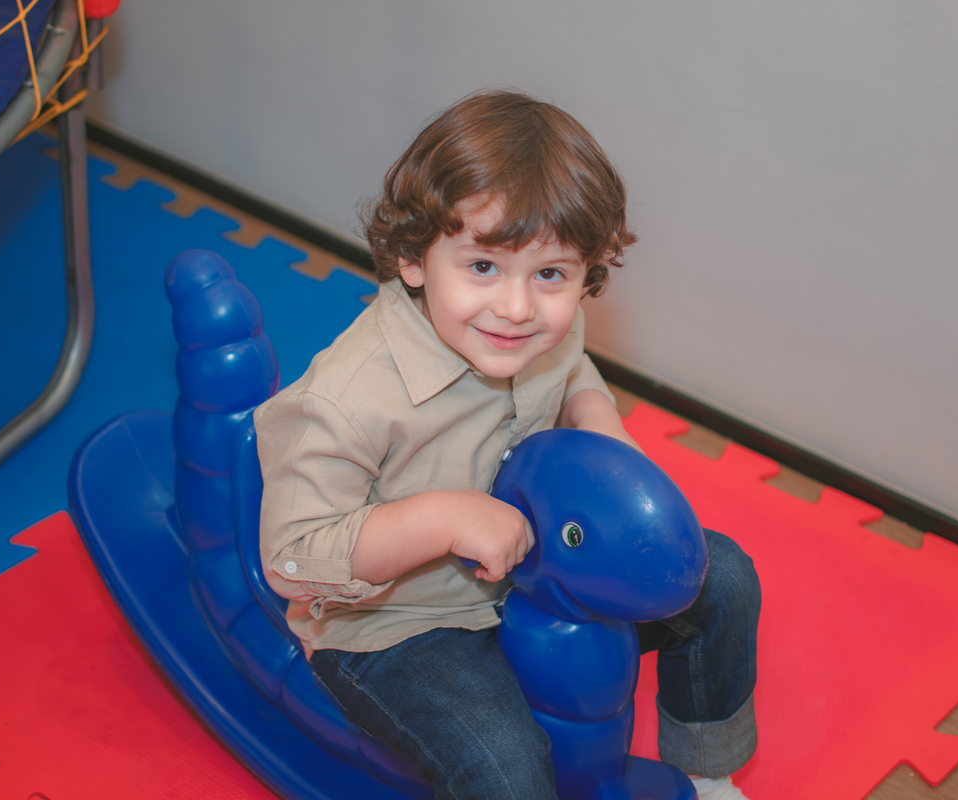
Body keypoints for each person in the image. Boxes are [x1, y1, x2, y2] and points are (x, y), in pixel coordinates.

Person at [255, 90, 761, 800]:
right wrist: (445, 519)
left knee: (723, 579)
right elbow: (291, 556)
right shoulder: (345, 401)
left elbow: (576, 367)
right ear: (412, 257)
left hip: (535, 574)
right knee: (509, 766)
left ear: (586, 275)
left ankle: (706, 769)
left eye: (551, 274)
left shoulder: (541, 332)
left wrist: (599, 423)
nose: (518, 308)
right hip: (401, 627)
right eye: (484, 267)